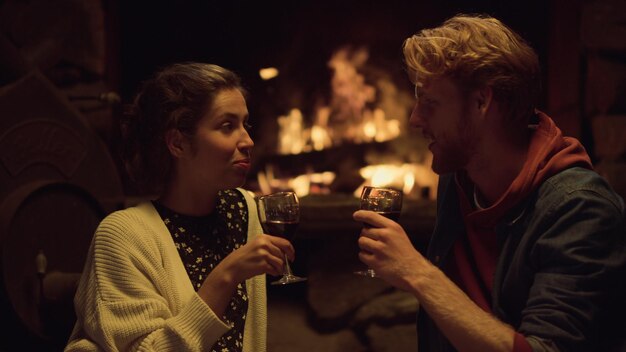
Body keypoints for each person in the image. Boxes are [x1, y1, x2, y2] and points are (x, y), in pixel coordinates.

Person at [354, 14, 625, 352]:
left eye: (430, 102)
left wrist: (418, 273)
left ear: (482, 102)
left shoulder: (581, 210)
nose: (414, 120)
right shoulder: (459, 177)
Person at [65, 62, 294, 351]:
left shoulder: (244, 210)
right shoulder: (122, 236)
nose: (247, 141)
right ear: (178, 144)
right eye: (227, 126)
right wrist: (226, 276)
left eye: (245, 124)